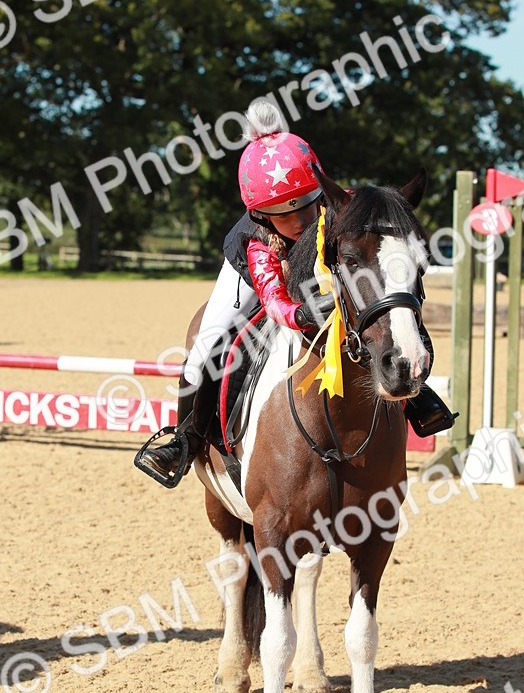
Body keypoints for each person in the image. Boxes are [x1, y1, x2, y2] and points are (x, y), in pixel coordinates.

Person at [136, 98, 452, 487]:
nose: (302, 221)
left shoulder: (336, 204)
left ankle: (415, 395)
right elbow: (275, 302)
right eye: (285, 214)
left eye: (308, 205)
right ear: (260, 215)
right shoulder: (258, 240)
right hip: (252, 279)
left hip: (315, 279)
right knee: (207, 346)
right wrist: (300, 314)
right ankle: (184, 438)